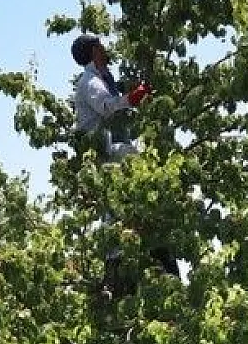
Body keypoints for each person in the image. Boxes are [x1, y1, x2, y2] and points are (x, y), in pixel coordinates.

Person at [70, 34, 176, 289]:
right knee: (128, 199)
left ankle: (135, 255)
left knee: (124, 203)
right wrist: (133, 97)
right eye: (99, 46)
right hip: (106, 152)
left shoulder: (104, 78)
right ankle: (122, 261)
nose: (104, 48)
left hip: (112, 150)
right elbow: (107, 107)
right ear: (94, 51)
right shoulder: (91, 81)